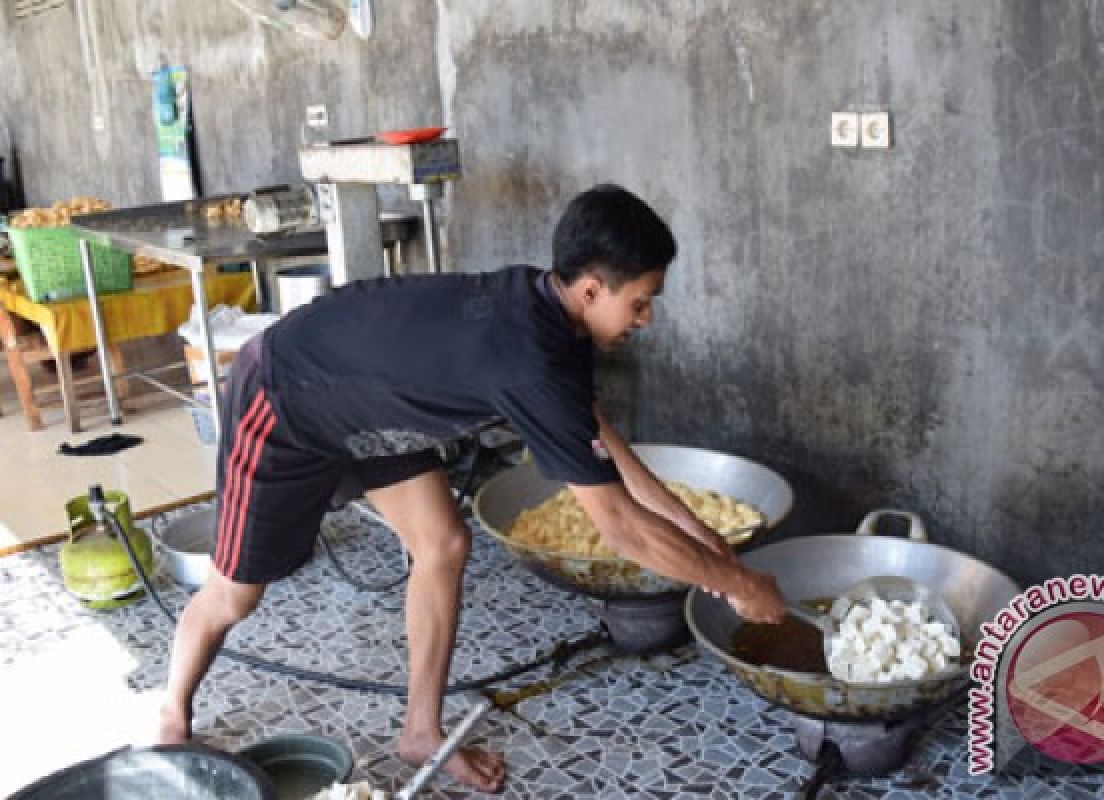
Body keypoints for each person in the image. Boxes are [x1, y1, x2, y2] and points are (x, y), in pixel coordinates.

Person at [156, 183, 787, 793]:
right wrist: (736, 584)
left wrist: (707, 542)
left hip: (374, 411)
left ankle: (421, 733)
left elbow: (620, 463)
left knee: (442, 545)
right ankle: (172, 719)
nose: (646, 319)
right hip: (289, 395)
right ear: (593, 290)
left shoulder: (554, 315)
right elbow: (618, 525)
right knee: (234, 596)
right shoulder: (530, 360)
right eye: (641, 302)